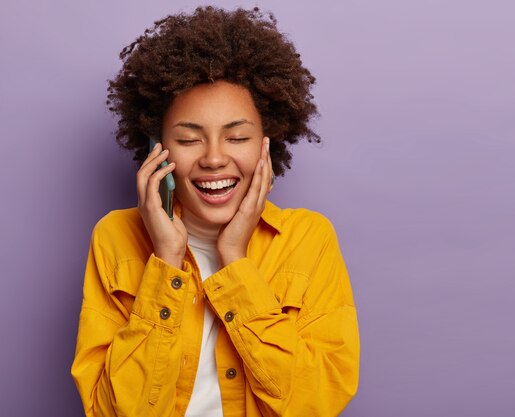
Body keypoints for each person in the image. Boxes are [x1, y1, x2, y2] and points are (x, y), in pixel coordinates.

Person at [70, 5, 359, 417]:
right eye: (189, 140)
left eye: (237, 136)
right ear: (157, 148)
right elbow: (112, 412)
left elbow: (316, 403)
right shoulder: (115, 235)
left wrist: (235, 261)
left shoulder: (308, 239)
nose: (214, 159)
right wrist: (166, 261)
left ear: (267, 142)